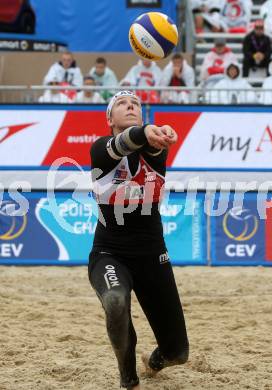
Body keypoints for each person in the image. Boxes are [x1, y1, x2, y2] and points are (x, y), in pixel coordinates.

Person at [88, 90, 189, 389]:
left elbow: (150, 146)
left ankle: (153, 362)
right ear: (109, 118)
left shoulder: (154, 150)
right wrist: (145, 130)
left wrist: (159, 135)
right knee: (116, 301)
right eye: (121, 103)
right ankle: (127, 378)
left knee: (178, 354)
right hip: (109, 253)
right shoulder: (100, 149)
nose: (130, 105)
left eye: (136, 104)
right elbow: (122, 143)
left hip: (152, 256)